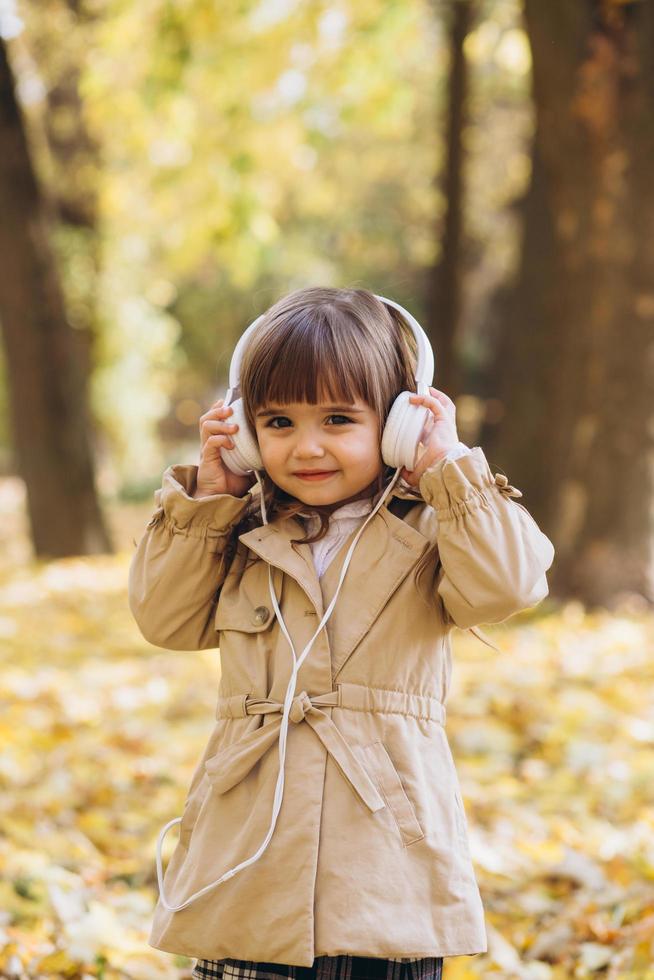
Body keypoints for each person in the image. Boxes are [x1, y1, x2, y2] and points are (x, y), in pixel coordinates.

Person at [128, 287, 555, 980]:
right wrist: (208, 502)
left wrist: (450, 471)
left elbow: (511, 585)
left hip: (385, 869)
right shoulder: (237, 533)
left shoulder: (429, 528)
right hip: (248, 863)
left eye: (337, 418)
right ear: (240, 429)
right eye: (278, 422)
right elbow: (164, 619)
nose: (309, 446)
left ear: (395, 423)